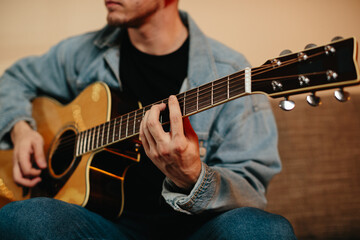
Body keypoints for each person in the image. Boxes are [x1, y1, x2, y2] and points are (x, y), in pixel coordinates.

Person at [0, 0, 296, 239]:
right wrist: (21, 130)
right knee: (21, 218)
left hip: (195, 230)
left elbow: (252, 191)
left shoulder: (230, 72)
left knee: (265, 231)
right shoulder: (82, 53)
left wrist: (193, 177)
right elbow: (12, 81)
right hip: (105, 227)